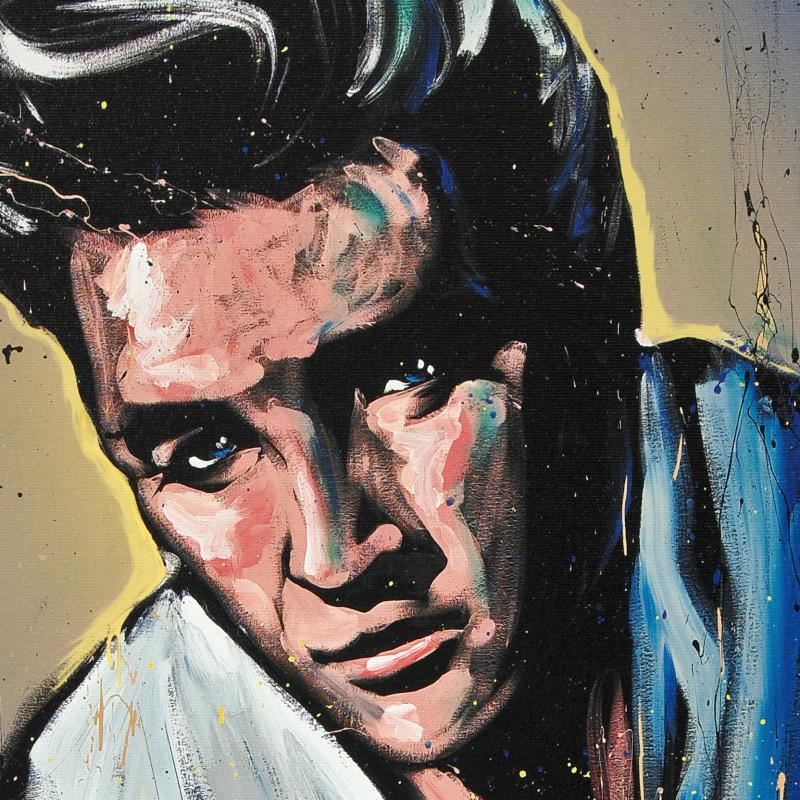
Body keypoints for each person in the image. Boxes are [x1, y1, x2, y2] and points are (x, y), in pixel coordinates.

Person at [0, 1, 797, 799]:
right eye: (206, 451)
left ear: (585, 308)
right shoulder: (109, 774)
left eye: (401, 374)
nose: (332, 559)